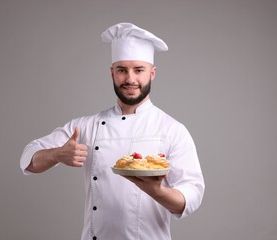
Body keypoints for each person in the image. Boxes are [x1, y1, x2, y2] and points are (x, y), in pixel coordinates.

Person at [20, 22, 205, 240]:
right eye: (121, 70)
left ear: (152, 73)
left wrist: (158, 191)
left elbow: (192, 195)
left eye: (138, 70)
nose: (130, 79)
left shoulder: (172, 129)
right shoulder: (87, 126)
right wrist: (57, 154)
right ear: (112, 73)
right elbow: (29, 159)